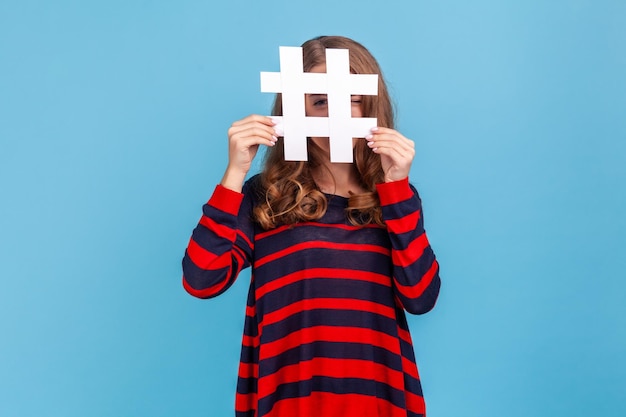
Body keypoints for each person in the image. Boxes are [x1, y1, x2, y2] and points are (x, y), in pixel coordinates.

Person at [182, 35, 441, 417]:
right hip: (290, 400)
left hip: (378, 399)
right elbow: (201, 280)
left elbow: (421, 298)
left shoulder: (396, 197)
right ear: (293, 110)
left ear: (371, 104)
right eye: (319, 102)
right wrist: (234, 173)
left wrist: (397, 187)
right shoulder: (265, 196)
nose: (336, 113)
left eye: (351, 99)